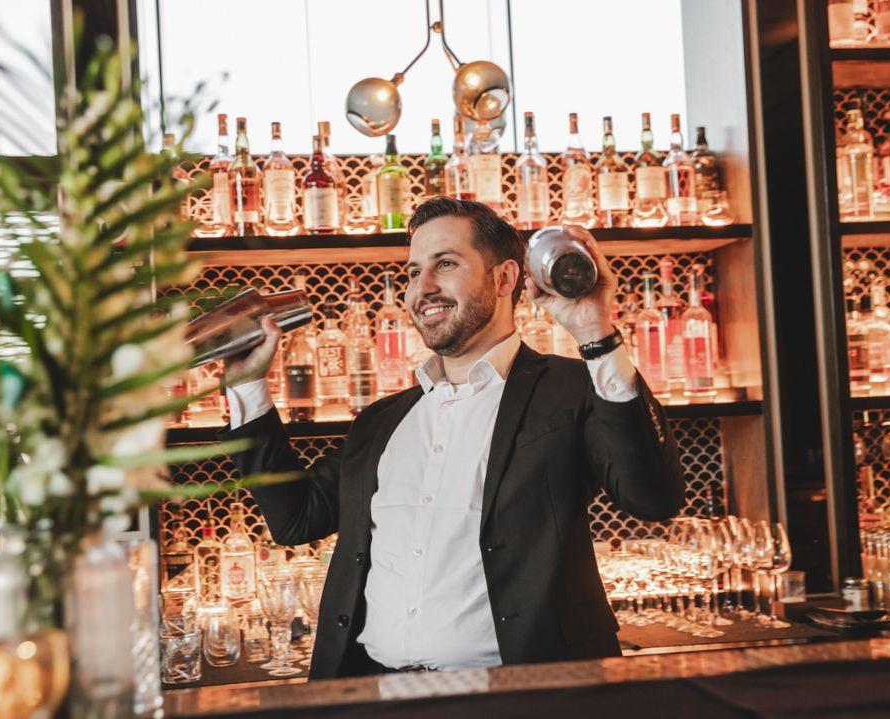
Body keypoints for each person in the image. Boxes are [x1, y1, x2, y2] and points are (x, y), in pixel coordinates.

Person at [221, 197, 684, 678]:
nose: (423, 288)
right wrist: (249, 387)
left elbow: (654, 496)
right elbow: (295, 520)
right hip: (377, 694)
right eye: (412, 271)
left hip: (522, 699)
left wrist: (595, 330)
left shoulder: (572, 390)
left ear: (505, 279)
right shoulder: (382, 421)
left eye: (445, 263)